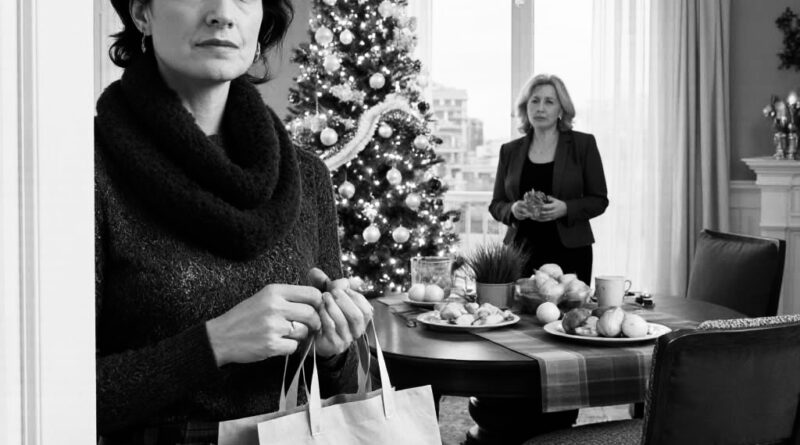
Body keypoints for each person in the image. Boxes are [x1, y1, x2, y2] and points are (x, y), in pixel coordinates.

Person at [95, 1, 372, 443]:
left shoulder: (306, 176)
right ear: (142, 13)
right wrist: (215, 344)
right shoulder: (87, 170)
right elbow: (53, 393)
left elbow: (345, 385)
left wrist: (334, 349)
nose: (223, 13)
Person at [489, 74, 608, 284]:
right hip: (521, 253)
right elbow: (496, 204)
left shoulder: (583, 145)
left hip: (571, 252)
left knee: (569, 306)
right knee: (521, 306)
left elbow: (599, 200)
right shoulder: (509, 151)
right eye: (534, 101)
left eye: (549, 102)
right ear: (525, 107)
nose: (540, 108)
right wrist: (513, 209)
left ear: (562, 108)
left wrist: (566, 208)